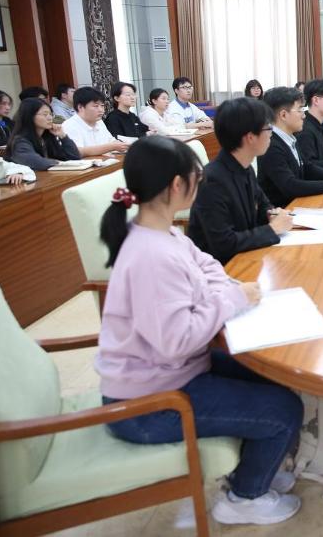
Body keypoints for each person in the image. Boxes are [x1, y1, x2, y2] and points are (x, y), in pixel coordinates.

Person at [96, 136, 304, 526]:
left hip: (173, 372)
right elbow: (178, 341)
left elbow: (207, 266)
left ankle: (256, 468)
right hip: (148, 402)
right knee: (283, 410)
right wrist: (233, 298)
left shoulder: (162, 232)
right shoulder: (151, 256)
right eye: (196, 175)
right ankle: (244, 497)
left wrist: (226, 290)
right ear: (177, 185)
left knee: (274, 373)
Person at [187, 97, 293, 265]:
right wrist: (272, 229)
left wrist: (272, 214)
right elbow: (224, 244)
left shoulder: (245, 167)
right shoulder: (212, 180)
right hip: (219, 269)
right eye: (268, 128)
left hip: (246, 258)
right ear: (250, 137)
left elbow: (263, 205)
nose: (271, 133)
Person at [257, 87, 323, 208]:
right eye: (300, 110)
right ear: (283, 115)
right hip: (284, 210)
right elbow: (290, 185)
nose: (304, 116)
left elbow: (307, 167)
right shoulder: (271, 145)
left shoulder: (289, 138)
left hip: (298, 204)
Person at [5, 98, 82, 170]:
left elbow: (75, 157)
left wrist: (63, 136)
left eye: (51, 114)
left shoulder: (47, 137)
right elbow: (37, 162)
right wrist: (59, 163)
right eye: (45, 114)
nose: (50, 118)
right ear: (30, 116)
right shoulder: (20, 141)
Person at [62, 87, 128, 157]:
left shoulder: (99, 122)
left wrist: (123, 145)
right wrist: (111, 147)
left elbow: (111, 141)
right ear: (80, 107)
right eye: (96, 106)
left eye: (102, 106)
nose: (101, 110)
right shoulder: (70, 125)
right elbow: (77, 151)